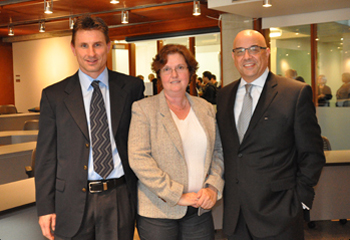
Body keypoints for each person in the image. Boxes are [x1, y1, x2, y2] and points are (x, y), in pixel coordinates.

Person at [35, 16, 144, 240]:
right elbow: (46, 157)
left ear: (109, 46)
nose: (91, 53)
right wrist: (45, 207)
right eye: (84, 45)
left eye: (97, 44)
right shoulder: (54, 95)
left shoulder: (132, 87)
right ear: (73, 49)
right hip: (72, 201)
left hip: (119, 196)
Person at [216, 30, 325, 240]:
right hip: (235, 217)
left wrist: (300, 200)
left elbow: (312, 153)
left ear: (266, 52)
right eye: (240, 51)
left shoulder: (294, 93)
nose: (246, 56)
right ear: (233, 57)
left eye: (253, 49)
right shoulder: (224, 95)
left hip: (280, 214)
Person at [128, 44, 224, 240]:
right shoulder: (143, 109)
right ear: (159, 74)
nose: (174, 74)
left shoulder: (205, 108)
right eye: (166, 69)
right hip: (158, 212)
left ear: (190, 72)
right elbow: (139, 159)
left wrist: (213, 187)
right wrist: (176, 195)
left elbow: (218, 152)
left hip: (199, 210)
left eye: (180, 67)